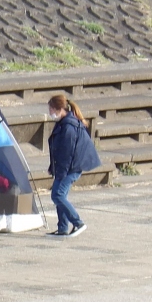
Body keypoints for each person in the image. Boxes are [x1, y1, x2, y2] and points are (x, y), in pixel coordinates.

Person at [46, 94, 101, 237]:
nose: (50, 112)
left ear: (59, 109)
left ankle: (78, 223)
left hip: (71, 167)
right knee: (60, 195)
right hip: (67, 166)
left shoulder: (68, 127)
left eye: (51, 109)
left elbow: (67, 153)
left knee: (57, 195)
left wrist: (61, 173)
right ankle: (63, 228)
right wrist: (53, 167)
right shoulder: (64, 123)